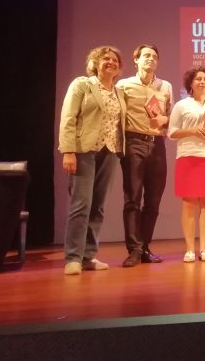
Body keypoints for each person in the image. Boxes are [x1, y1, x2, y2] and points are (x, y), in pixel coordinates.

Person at [58, 46, 126, 275]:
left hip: (110, 152)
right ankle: (73, 258)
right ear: (95, 63)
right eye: (105, 58)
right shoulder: (82, 84)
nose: (111, 62)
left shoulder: (118, 91)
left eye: (115, 60)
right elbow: (68, 117)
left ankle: (88, 256)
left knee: (98, 206)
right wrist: (68, 151)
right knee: (81, 204)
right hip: (84, 151)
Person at [116, 44, 173, 267]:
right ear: (136, 60)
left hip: (157, 143)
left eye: (155, 56)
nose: (151, 59)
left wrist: (165, 120)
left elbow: (171, 115)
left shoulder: (165, 85)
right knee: (132, 199)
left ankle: (145, 247)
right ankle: (134, 250)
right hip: (133, 142)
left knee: (153, 201)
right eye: (146, 56)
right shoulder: (123, 85)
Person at [169, 68, 205, 262]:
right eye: (198, 79)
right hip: (188, 156)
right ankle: (190, 249)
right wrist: (191, 130)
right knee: (189, 202)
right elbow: (172, 132)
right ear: (190, 83)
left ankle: (204, 248)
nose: (202, 82)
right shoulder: (182, 105)